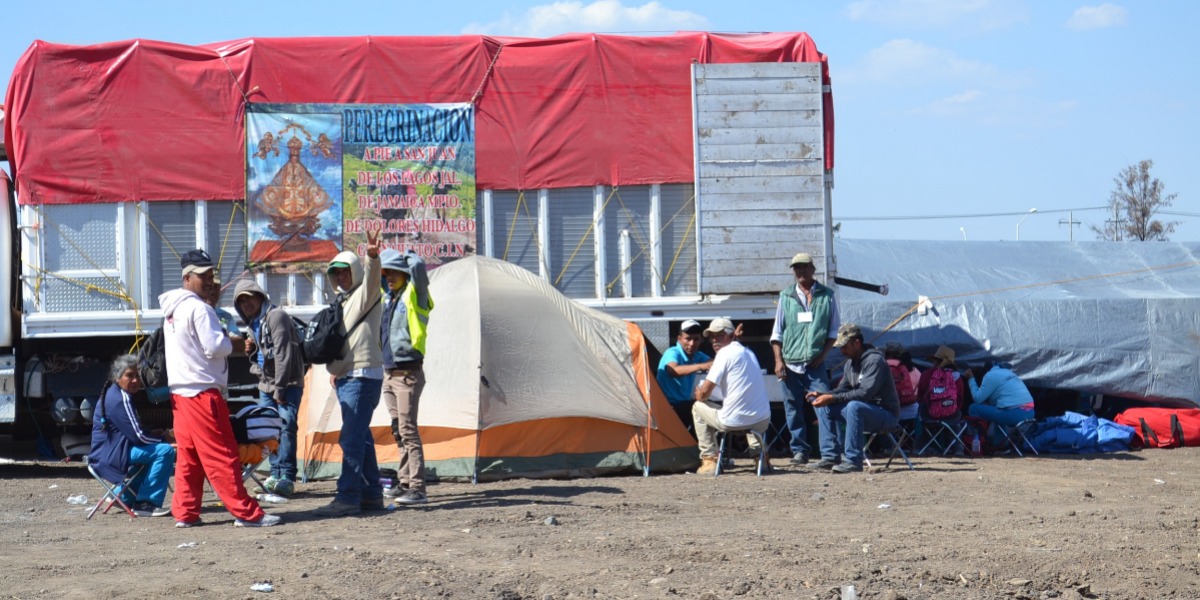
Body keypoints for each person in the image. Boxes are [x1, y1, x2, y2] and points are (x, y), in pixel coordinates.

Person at [160, 249, 280, 527]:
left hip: (180, 394)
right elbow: (215, 346)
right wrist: (233, 343)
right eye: (203, 276)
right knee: (222, 454)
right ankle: (247, 513)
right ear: (187, 277)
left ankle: (186, 513)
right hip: (202, 393)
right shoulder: (199, 308)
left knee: (189, 458)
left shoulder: (172, 309)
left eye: (211, 275)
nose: (210, 281)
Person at [315, 229, 385, 517]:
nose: (342, 278)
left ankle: (348, 496)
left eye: (345, 272)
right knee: (362, 438)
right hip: (350, 376)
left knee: (351, 440)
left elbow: (372, 277)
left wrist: (371, 255)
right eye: (336, 275)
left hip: (362, 376)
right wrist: (338, 369)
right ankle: (371, 496)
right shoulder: (343, 301)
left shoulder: (366, 295)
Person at [233, 279, 306, 498]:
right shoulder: (255, 322)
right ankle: (274, 474)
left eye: (249, 297)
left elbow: (284, 354)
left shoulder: (276, 316)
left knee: (286, 427)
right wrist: (251, 349)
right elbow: (265, 355)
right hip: (266, 384)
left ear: (260, 296)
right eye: (241, 301)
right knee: (270, 429)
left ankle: (287, 477)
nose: (247, 303)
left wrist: (280, 388)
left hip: (287, 383)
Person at [770, 252, 840, 466]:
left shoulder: (827, 295)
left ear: (812, 268)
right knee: (792, 407)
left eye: (804, 267)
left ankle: (829, 454)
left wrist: (822, 355)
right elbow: (777, 333)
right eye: (796, 268)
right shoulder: (786, 296)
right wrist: (778, 361)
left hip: (814, 362)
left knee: (823, 405)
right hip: (790, 362)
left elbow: (833, 331)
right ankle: (800, 451)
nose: (800, 271)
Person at [89, 355, 176, 517]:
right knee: (165, 451)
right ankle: (146, 503)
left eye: (137, 375)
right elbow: (138, 437)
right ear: (117, 377)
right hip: (110, 454)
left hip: (110, 450)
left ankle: (122, 494)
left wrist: (153, 434)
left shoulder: (114, 393)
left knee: (153, 452)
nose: (135, 380)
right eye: (130, 375)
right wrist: (165, 439)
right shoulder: (120, 399)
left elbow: (132, 431)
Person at [379, 248, 434, 505]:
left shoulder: (416, 294)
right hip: (389, 373)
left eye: (395, 272)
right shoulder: (388, 299)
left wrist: (406, 255)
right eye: (386, 272)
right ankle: (403, 483)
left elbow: (419, 269)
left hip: (408, 373)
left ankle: (418, 488)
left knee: (408, 430)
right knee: (398, 431)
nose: (390, 276)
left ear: (404, 273)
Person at [807, 323, 900, 473]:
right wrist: (825, 395)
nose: (842, 351)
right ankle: (830, 457)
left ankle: (853, 460)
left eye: (845, 346)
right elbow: (843, 389)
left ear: (857, 343)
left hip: (886, 414)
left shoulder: (874, 361)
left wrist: (831, 398)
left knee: (854, 406)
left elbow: (864, 394)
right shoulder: (850, 364)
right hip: (862, 411)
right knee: (826, 406)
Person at [692, 318, 772, 475]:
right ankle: (761, 458)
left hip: (733, 422)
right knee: (749, 414)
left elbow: (705, 393)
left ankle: (709, 460)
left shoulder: (724, 353)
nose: (714, 340)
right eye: (712, 336)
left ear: (730, 336)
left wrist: (698, 393)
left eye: (719, 335)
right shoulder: (749, 352)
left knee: (697, 407)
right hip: (763, 420)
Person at [656, 319, 713, 436]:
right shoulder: (672, 352)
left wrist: (731, 342)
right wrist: (701, 366)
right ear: (679, 339)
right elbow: (673, 370)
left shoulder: (698, 355)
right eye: (688, 339)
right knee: (705, 412)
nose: (692, 343)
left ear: (701, 340)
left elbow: (718, 363)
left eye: (696, 339)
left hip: (685, 405)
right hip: (669, 407)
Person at [965, 362, 1036, 440]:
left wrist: (971, 379)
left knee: (974, 408)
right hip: (1030, 413)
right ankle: (1001, 446)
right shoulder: (1007, 372)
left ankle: (975, 442)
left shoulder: (990, 375)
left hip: (1016, 414)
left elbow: (977, 399)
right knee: (997, 411)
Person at [207, 274, 245, 351]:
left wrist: (217, 342)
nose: (212, 291)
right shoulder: (193, 312)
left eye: (216, 287)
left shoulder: (225, 316)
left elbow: (240, 343)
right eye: (209, 287)